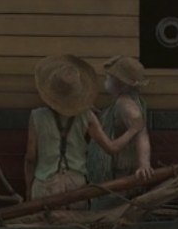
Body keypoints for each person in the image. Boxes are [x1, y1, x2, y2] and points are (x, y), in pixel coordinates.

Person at [24, 55, 143, 208]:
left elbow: (30, 158)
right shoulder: (86, 116)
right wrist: (133, 130)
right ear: (77, 92)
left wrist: (28, 189)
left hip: (45, 186)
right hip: (76, 188)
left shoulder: (36, 116)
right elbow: (112, 148)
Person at [88, 56, 153, 210]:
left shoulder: (126, 105)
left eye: (109, 77)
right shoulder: (126, 101)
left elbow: (141, 134)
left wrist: (144, 163)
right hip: (119, 169)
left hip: (119, 173)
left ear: (120, 83)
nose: (106, 80)